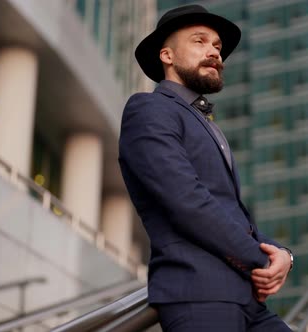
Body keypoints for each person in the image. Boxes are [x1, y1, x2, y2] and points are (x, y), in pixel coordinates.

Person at [118, 4, 293, 331]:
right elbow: (188, 202)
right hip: (199, 296)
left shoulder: (205, 122)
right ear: (167, 56)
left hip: (247, 301)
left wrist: (283, 254)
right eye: (200, 41)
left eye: (217, 46)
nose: (214, 52)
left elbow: (230, 211)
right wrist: (263, 261)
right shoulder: (149, 109)